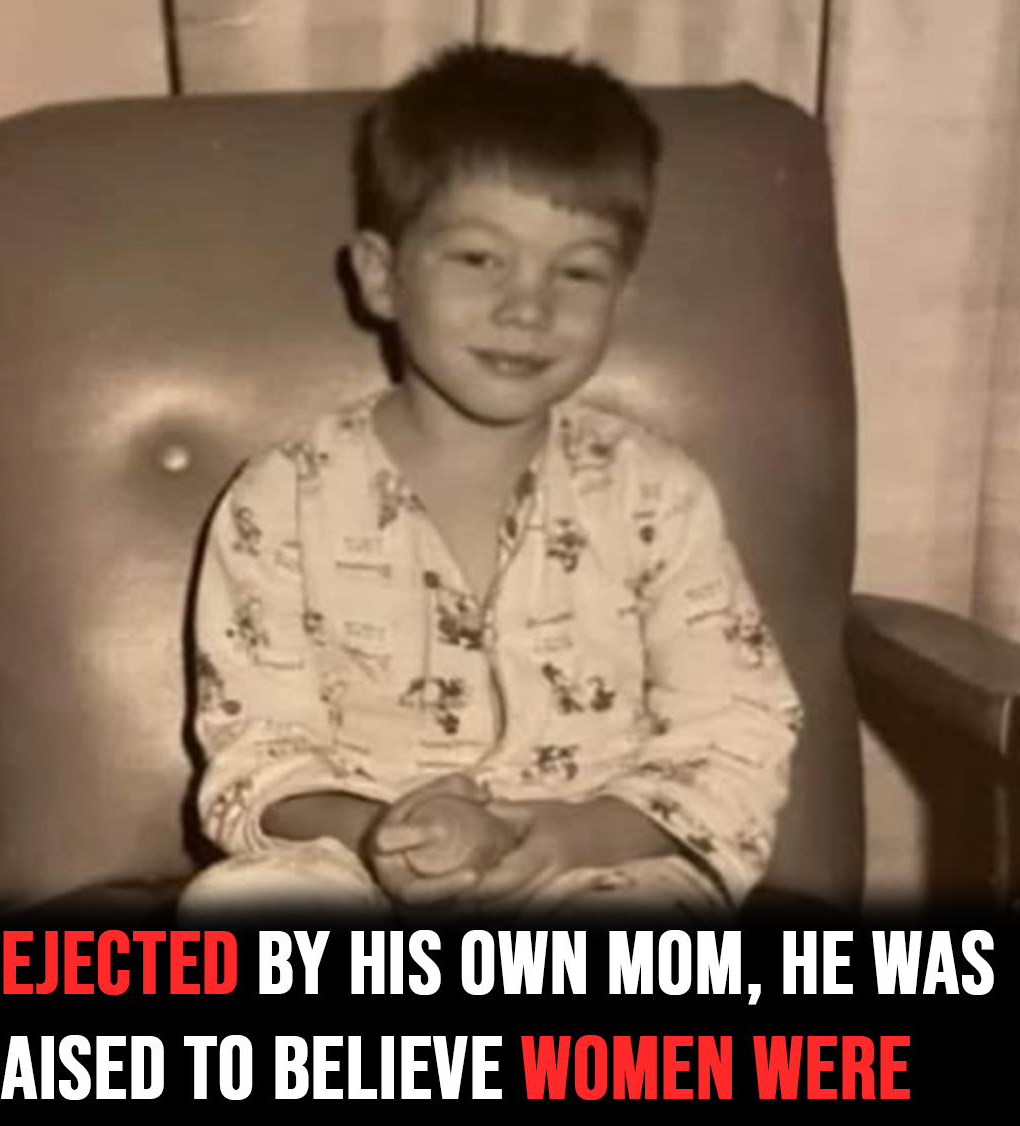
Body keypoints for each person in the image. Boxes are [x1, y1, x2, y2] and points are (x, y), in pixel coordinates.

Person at [181, 43, 802, 914]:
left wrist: (575, 836)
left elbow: (735, 727)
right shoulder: (280, 499)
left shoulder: (656, 496)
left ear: (620, 298)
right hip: (354, 862)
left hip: (597, 863)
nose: (528, 307)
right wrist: (383, 835)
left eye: (578, 272)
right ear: (381, 276)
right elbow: (258, 750)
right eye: (479, 259)